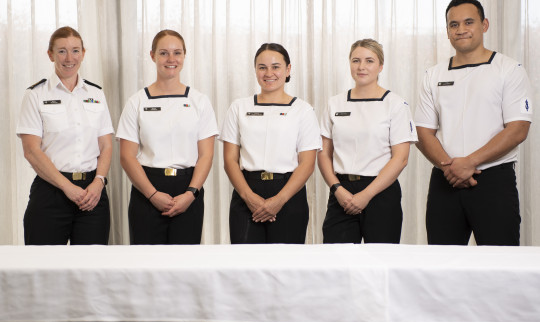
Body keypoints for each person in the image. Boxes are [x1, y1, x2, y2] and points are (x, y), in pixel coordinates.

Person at [415, 0, 533, 246]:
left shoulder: (509, 69)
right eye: (453, 24)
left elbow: (518, 129)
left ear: (484, 25)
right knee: (441, 266)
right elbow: (423, 132)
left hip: (493, 180)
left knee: (500, 266)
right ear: (447, 31)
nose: (461, 29)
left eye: (469, 22)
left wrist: (470, 162)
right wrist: (451, 167)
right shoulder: (433, 74)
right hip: (445, 180)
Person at [117, 29, 218, 245]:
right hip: (147, 189)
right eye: (163, 53)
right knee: (146, 267)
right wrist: (152, 195)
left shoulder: (199, 101)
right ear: (152, 56)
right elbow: (127, 156)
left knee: (185, 268)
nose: (171, 59)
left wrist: (191, 193)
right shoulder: (137, 102)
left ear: (184, 56)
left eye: (177, 53)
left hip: (188, 190)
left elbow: (206, 156)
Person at [16, 26, 113, 245]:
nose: (69, 58)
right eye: (61, 51)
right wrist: (67, 188)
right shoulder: (36, 95)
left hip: (92, 193)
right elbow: (31, 151)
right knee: (43, 270)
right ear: (50, 54)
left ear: (83, 53)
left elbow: (106, 145)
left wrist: (99, 182)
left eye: (75, 50)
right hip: (51, 191)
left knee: (91, 270)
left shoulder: (96, 94)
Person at [220, 43, 321, 244]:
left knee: (286, 267)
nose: (269, 73)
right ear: (255, 70)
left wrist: (279, 201)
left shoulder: (303, 110)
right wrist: (248, 197)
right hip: (247, 192)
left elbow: (307, 163)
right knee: (246, 266)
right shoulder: (238, 107)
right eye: (262, 67)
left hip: (289, 195)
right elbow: (230, 160)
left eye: (276, 67)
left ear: (288, 69)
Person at [318, 39, 417, 244]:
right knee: (337, 262)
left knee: (380, 264)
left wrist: (366, 195)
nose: (361, 67)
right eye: (356, 60)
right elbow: (324, 154)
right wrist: (337, 189)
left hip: (380, 193)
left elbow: (400, 159)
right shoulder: (334, 103)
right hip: (342, 193)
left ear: (380, 66)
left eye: (369, 61)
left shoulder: (395, 105)